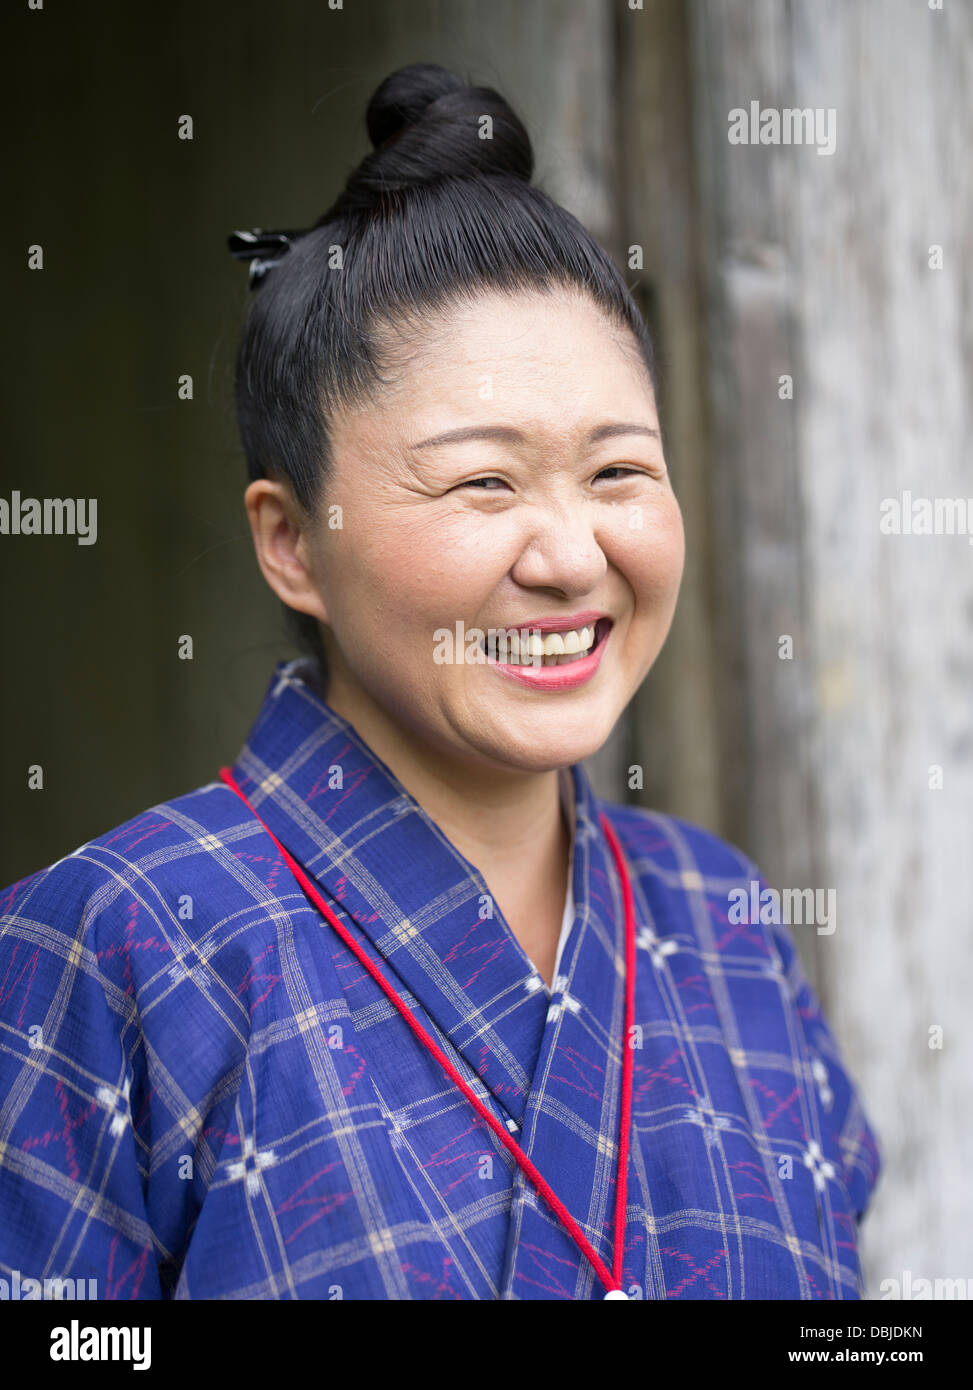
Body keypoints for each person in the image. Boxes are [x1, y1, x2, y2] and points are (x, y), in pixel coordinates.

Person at [0, 62, 880, 1300]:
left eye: (618, 472)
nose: (572, 554)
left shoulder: (721, 916)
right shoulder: (118, 938)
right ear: (292, 540)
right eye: (484, 483)